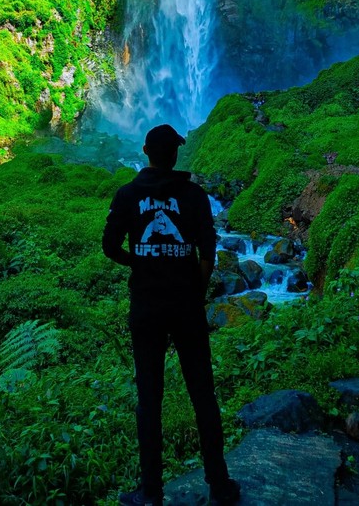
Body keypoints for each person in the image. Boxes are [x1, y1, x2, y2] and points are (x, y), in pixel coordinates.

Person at [102, 124, 241, 506]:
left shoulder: (127, 194)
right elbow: (208, 251)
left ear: (146, 151)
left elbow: (109, 246)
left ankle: (151, 493)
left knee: (149, 399)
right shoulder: (195, 196)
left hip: (146, 307)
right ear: (176, 154)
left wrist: (141, 265)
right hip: (186, 307)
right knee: (203, 394)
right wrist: (195, 288)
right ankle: (219, 484)